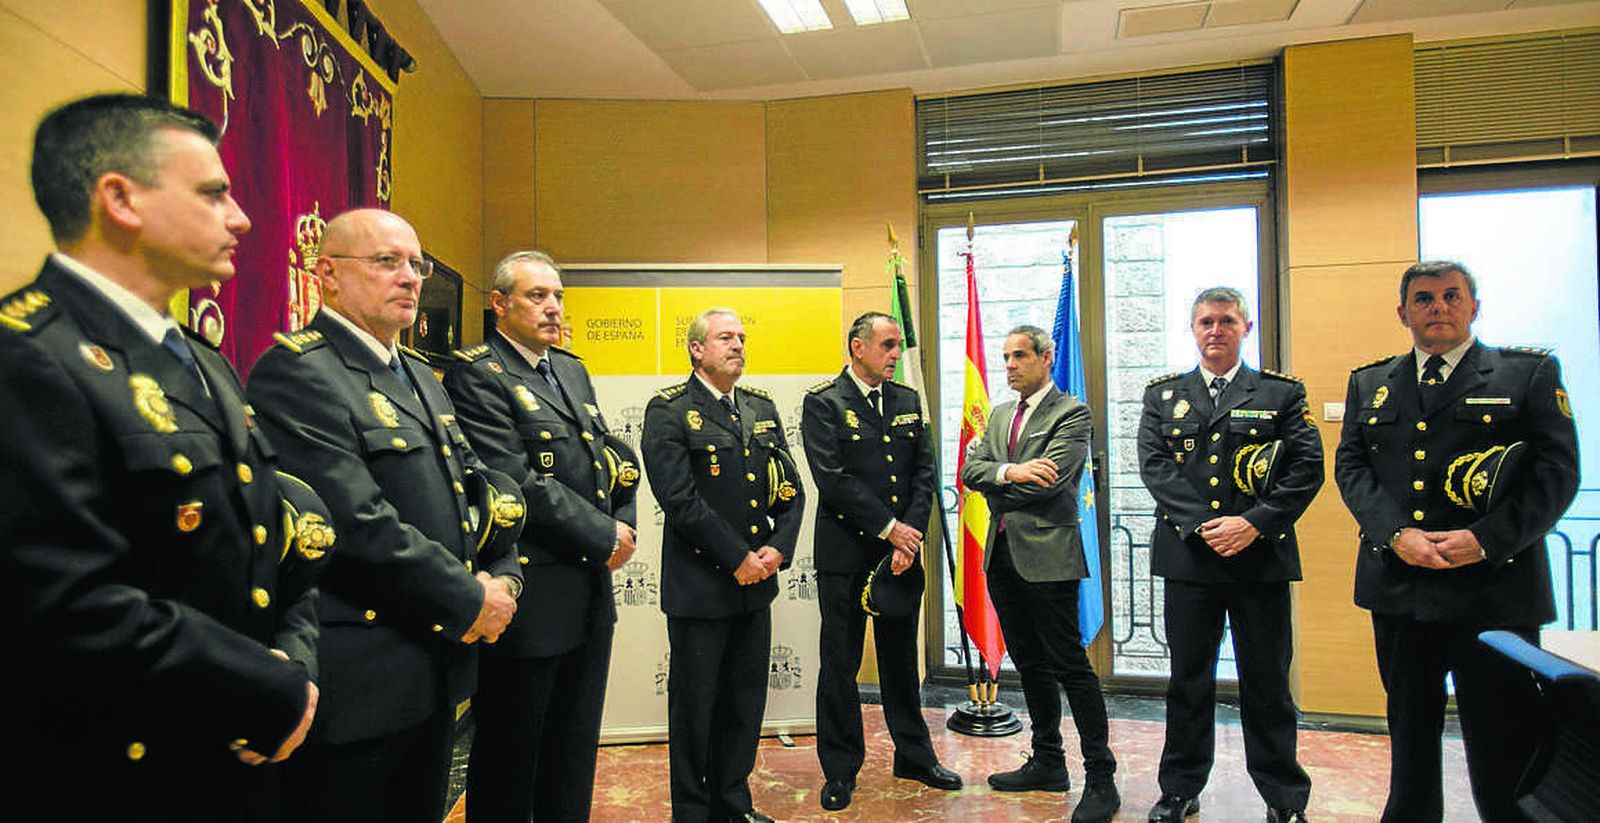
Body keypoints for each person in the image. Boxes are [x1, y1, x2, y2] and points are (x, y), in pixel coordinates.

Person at [0, 93, 320, 822]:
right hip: (115, 776)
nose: (240, 218)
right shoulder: (28, 356)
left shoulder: (201, 363)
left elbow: (276, 542)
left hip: (234, 756)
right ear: (120, 198)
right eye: (213, 193)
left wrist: (293, 666)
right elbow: (62, 604)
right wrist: (262, 687)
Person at [248, 208, 526, 823]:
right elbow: (356, 523)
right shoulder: (299, 371)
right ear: (327, 275)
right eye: (385, 262)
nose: (408, 277)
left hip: (431, 671)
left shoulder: (424, 376)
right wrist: (468, 599)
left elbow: (478, 492)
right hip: (361, 680)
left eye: (415, 264)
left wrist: (503, 577)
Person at [1334, 260, 1579, 823]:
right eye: (1423, 299)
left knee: (1505, 742)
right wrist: (1395, 535)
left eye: (1450, 296)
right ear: (1403, 313)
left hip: (1493, 594)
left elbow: (1556, 476)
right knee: (1410, 736)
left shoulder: (1527, 374)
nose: (1437, 308)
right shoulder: (1370, 382)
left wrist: (1486, 540)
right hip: (1400, 590)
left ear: (1475, 307)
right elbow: (1352, 467)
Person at [443, 251, 638, 822]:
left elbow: (606, 460)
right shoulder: (478, 373)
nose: (552, 308)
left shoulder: (570, 369)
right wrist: (604, 532)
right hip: (531, 594)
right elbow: (515, 481)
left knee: (572, 752)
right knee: (512, 756)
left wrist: (621, 519)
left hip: (588, 593)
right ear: (499, 303)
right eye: (536, 296)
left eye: (557, 297)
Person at [1137, 287, 1322, 823]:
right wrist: (1204, 525)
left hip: (1260, 561)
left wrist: (1252, 524)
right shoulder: (1164, 395)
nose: (1215, 330)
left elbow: (1306, 468)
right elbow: (1155, 466)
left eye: (1226, 321)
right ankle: (1180, 789)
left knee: (1267, 683)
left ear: (1247, 327)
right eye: (1205, 322)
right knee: (1187, 681)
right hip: (1190, 561)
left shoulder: (1281, 393)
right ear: (1192, 329)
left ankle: (1283, 798)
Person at [640, 307, 806, 823]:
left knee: (744, 704)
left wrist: (779, 547)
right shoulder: (668, 410)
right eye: (725, 337)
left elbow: (790, 488)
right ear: (696, 349)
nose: (737, 345)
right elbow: (679, 499)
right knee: (695, 710)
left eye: (741, 337)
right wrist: (736, 558)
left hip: (756, 587)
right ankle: (692, 813)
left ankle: (732, 804)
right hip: (701, 588)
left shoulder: (759, 407)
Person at [800, 312, 961, 811]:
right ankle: (841, 769)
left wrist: (906, 539)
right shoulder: (824, 403)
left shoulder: (908, 401)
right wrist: (890, 529)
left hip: (900, 556)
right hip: (847, 555)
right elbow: (833, 477)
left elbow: (922, 474)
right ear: (857, 347)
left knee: (898, 660)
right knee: (842, 663)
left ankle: (914, 755)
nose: (896, 355)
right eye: (888, 346)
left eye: (897, 346)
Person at [961, 325, 1121, 823]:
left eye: (1020, 356)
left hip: (1050, 558)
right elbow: (970, 471)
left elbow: (1050, 483)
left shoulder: (1071, 413)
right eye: (1005, 356)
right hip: (1003, 555)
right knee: (1028, 663)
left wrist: (998, 481)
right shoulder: (1002, 413)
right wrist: (1010, 472)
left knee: (1069, 665)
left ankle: (1101, 777)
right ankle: (1048, 761)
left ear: (1046, 358)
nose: (1009, 365)